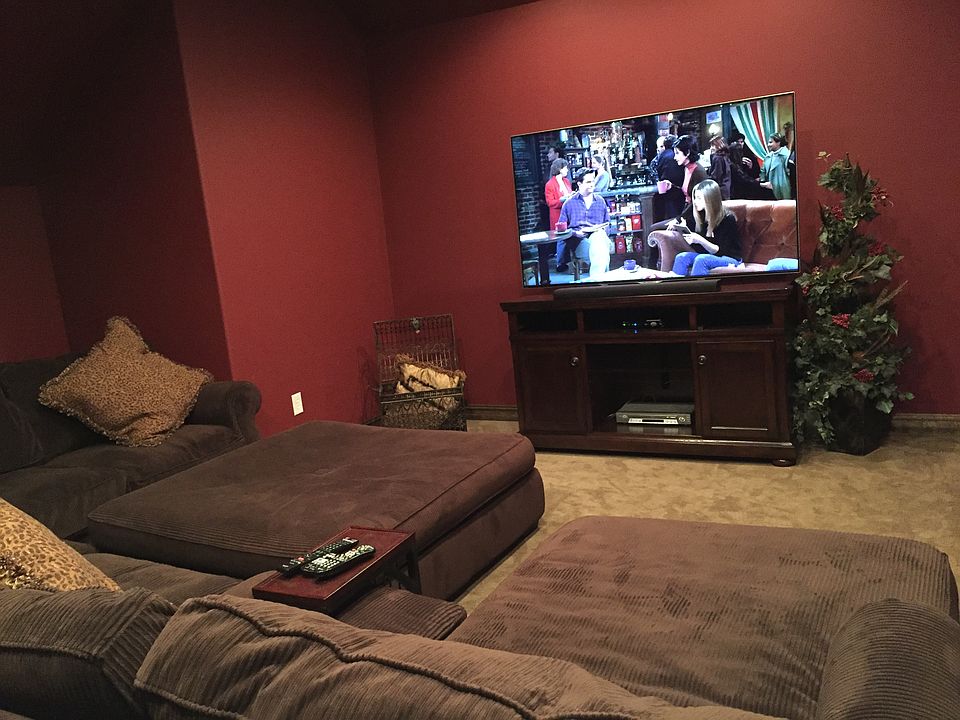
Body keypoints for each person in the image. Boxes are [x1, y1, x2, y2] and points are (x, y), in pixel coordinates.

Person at [671, 179, 742, 276]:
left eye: (699, 198)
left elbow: (722, 251)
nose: (695, 202)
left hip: (731, 258)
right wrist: (688, 234)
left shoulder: (727, 218)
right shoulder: (700, 214)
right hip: (709, 255)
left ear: (710, 199)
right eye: (695, 197)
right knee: (681, 257)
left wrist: (700, 240)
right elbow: (700, 250)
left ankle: (698, 286)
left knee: (702, 259)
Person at [556, 169, 611, 274]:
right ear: (579, 184)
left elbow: (608, 224)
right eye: (588, 182)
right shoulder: (569, 203)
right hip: (579, 241)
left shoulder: (600, 201)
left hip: (599, 238)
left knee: (599, 238)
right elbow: (561, 230)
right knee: (601, 251)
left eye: (593, 181)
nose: (592, 184)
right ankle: (602, 280)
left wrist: (602, 230)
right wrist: (576, 233)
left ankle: (597, 280)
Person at [671, 135, 708, 210]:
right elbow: (686, 192)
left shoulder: (698, 172)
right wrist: (671, 186)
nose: (674, 157)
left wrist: (682, 216)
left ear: (687, 152)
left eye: (677, 153)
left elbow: (700, 202)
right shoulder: (686, 168)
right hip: (688, 210)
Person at [727, 131, 765, 200]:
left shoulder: (748, 154)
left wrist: (751, 167)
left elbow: (754, 172)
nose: (740, 144)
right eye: (738, 142)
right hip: (737, 188)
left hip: (749, 185)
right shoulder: (729, 157)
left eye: (742, 142)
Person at [759, 132, 792, 200]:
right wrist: (762, 182)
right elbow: (763, 172)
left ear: (778, 143)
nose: (768, 145)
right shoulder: (768, 157)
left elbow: (791, 173)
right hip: (770, 188)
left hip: (783, 188)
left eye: (771, 142)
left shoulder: (786, 155)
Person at [544, 158, 573, 231]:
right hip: (558, 216)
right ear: (560, 169)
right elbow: (550, 202)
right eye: (565, 168)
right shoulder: (549, 184)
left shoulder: (567, 181)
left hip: (569, 215)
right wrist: (562, 200)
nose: (567, 170)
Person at [706, 135, 732, 200]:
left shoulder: (718, 158)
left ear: (719, 145)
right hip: (726, 190)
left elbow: (716, 176)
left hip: (719, 191)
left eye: (713, 145)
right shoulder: (725, 157)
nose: (711, 148)